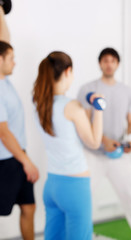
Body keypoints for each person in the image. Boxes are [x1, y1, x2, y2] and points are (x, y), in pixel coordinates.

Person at [77, 47, 131, 240]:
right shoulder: (88, 89)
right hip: (92, 153)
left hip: (118, 154)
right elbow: (84, 123)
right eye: (105, 60)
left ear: (117, 64)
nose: (109, 64)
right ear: (100, 63)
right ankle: (81, 236)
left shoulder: (127, 91)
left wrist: (130, 139)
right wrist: (103, 141)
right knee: (81, 200)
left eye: (112, 61)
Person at [32, 51, 103, 239]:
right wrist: (99, 108)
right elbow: (94, 142)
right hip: (75, 188)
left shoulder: (39, 104)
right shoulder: (71, 106)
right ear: (68, 71)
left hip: (52, 185)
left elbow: (68, 134)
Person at [0, 3, 39, 240]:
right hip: (5, 160)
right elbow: (3, 132)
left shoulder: (6, 83)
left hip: (17, 156)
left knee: (28, 206)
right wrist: (27, 162)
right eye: (11, 58)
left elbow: (5, 40)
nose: (15, 62)